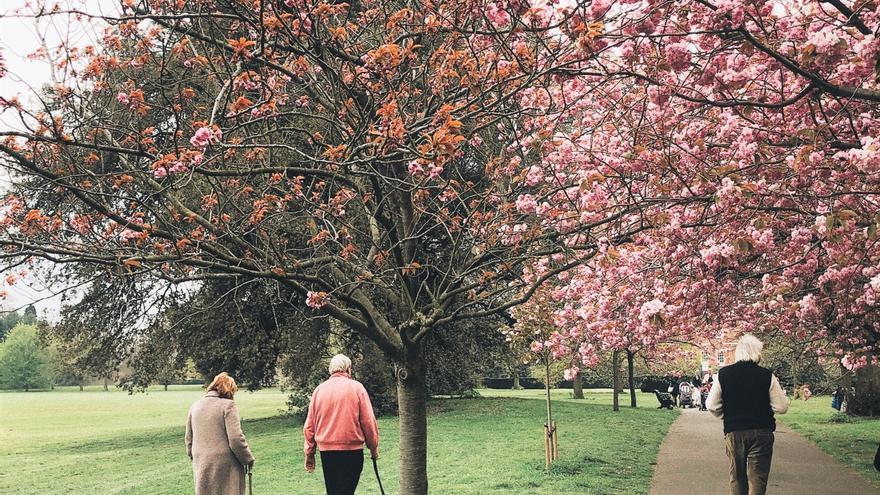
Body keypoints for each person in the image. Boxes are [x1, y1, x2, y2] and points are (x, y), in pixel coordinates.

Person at [706, 335, 789, 495]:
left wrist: (727, 416)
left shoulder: (723, 375)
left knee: (737, 477)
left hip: (734, 432)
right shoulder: (766, 375)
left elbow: (711, 405)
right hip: (761, 432)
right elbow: (781, 407)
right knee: (758, 477)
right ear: (757, 352)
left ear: (738, 352)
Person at [303, 354, 380, 495]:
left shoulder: (319, 391)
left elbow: (309, 427)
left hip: (327, 453)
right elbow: (368, 421)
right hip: (352, 451)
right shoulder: (357, 388)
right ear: (348, 369)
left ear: (331, 370)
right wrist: (373, 448)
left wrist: (309, 453)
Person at [186, 372, 255, 495]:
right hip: (225, 463)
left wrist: (194, 455)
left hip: (201, 461)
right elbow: (235, 439)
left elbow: (188, 439)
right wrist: (247, 458)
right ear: (229, 389)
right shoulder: (228, 405)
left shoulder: (195, 406)